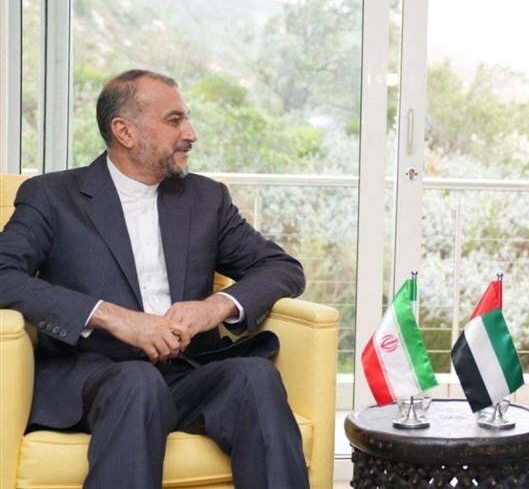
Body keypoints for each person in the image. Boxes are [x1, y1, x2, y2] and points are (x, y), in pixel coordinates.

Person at [0, 69, 309, 489]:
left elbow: (282, 267)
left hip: (187, 373)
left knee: (255, 376)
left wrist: (213, 308)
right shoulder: (53, 196)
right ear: (125, 132)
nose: (191, 134)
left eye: (187, 119)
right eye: (174, 120)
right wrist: (111, 317)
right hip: (95, 376)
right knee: (137, 382)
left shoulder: (206, 198)